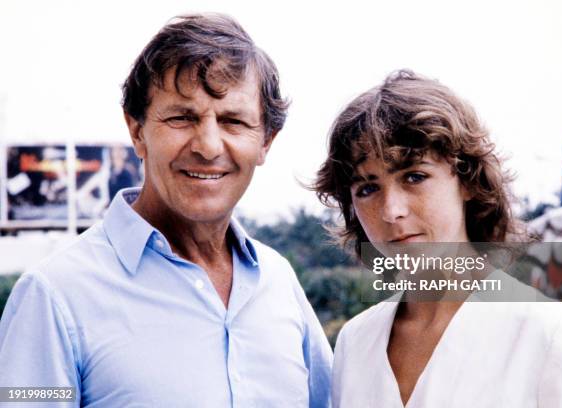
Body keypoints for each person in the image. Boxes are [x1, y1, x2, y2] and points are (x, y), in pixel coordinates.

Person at [0, 14, 331, 407]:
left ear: (265, 142)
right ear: (137, 130)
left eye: (233, 121)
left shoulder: (278, 283)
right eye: (181, 118)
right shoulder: (53, 296)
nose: (208, 146)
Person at [313, 70, 562, 407]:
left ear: (468, 181)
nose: (390, 210)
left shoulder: (554, 336)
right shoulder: (356, 342)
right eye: (367, 188)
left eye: (414, 176)